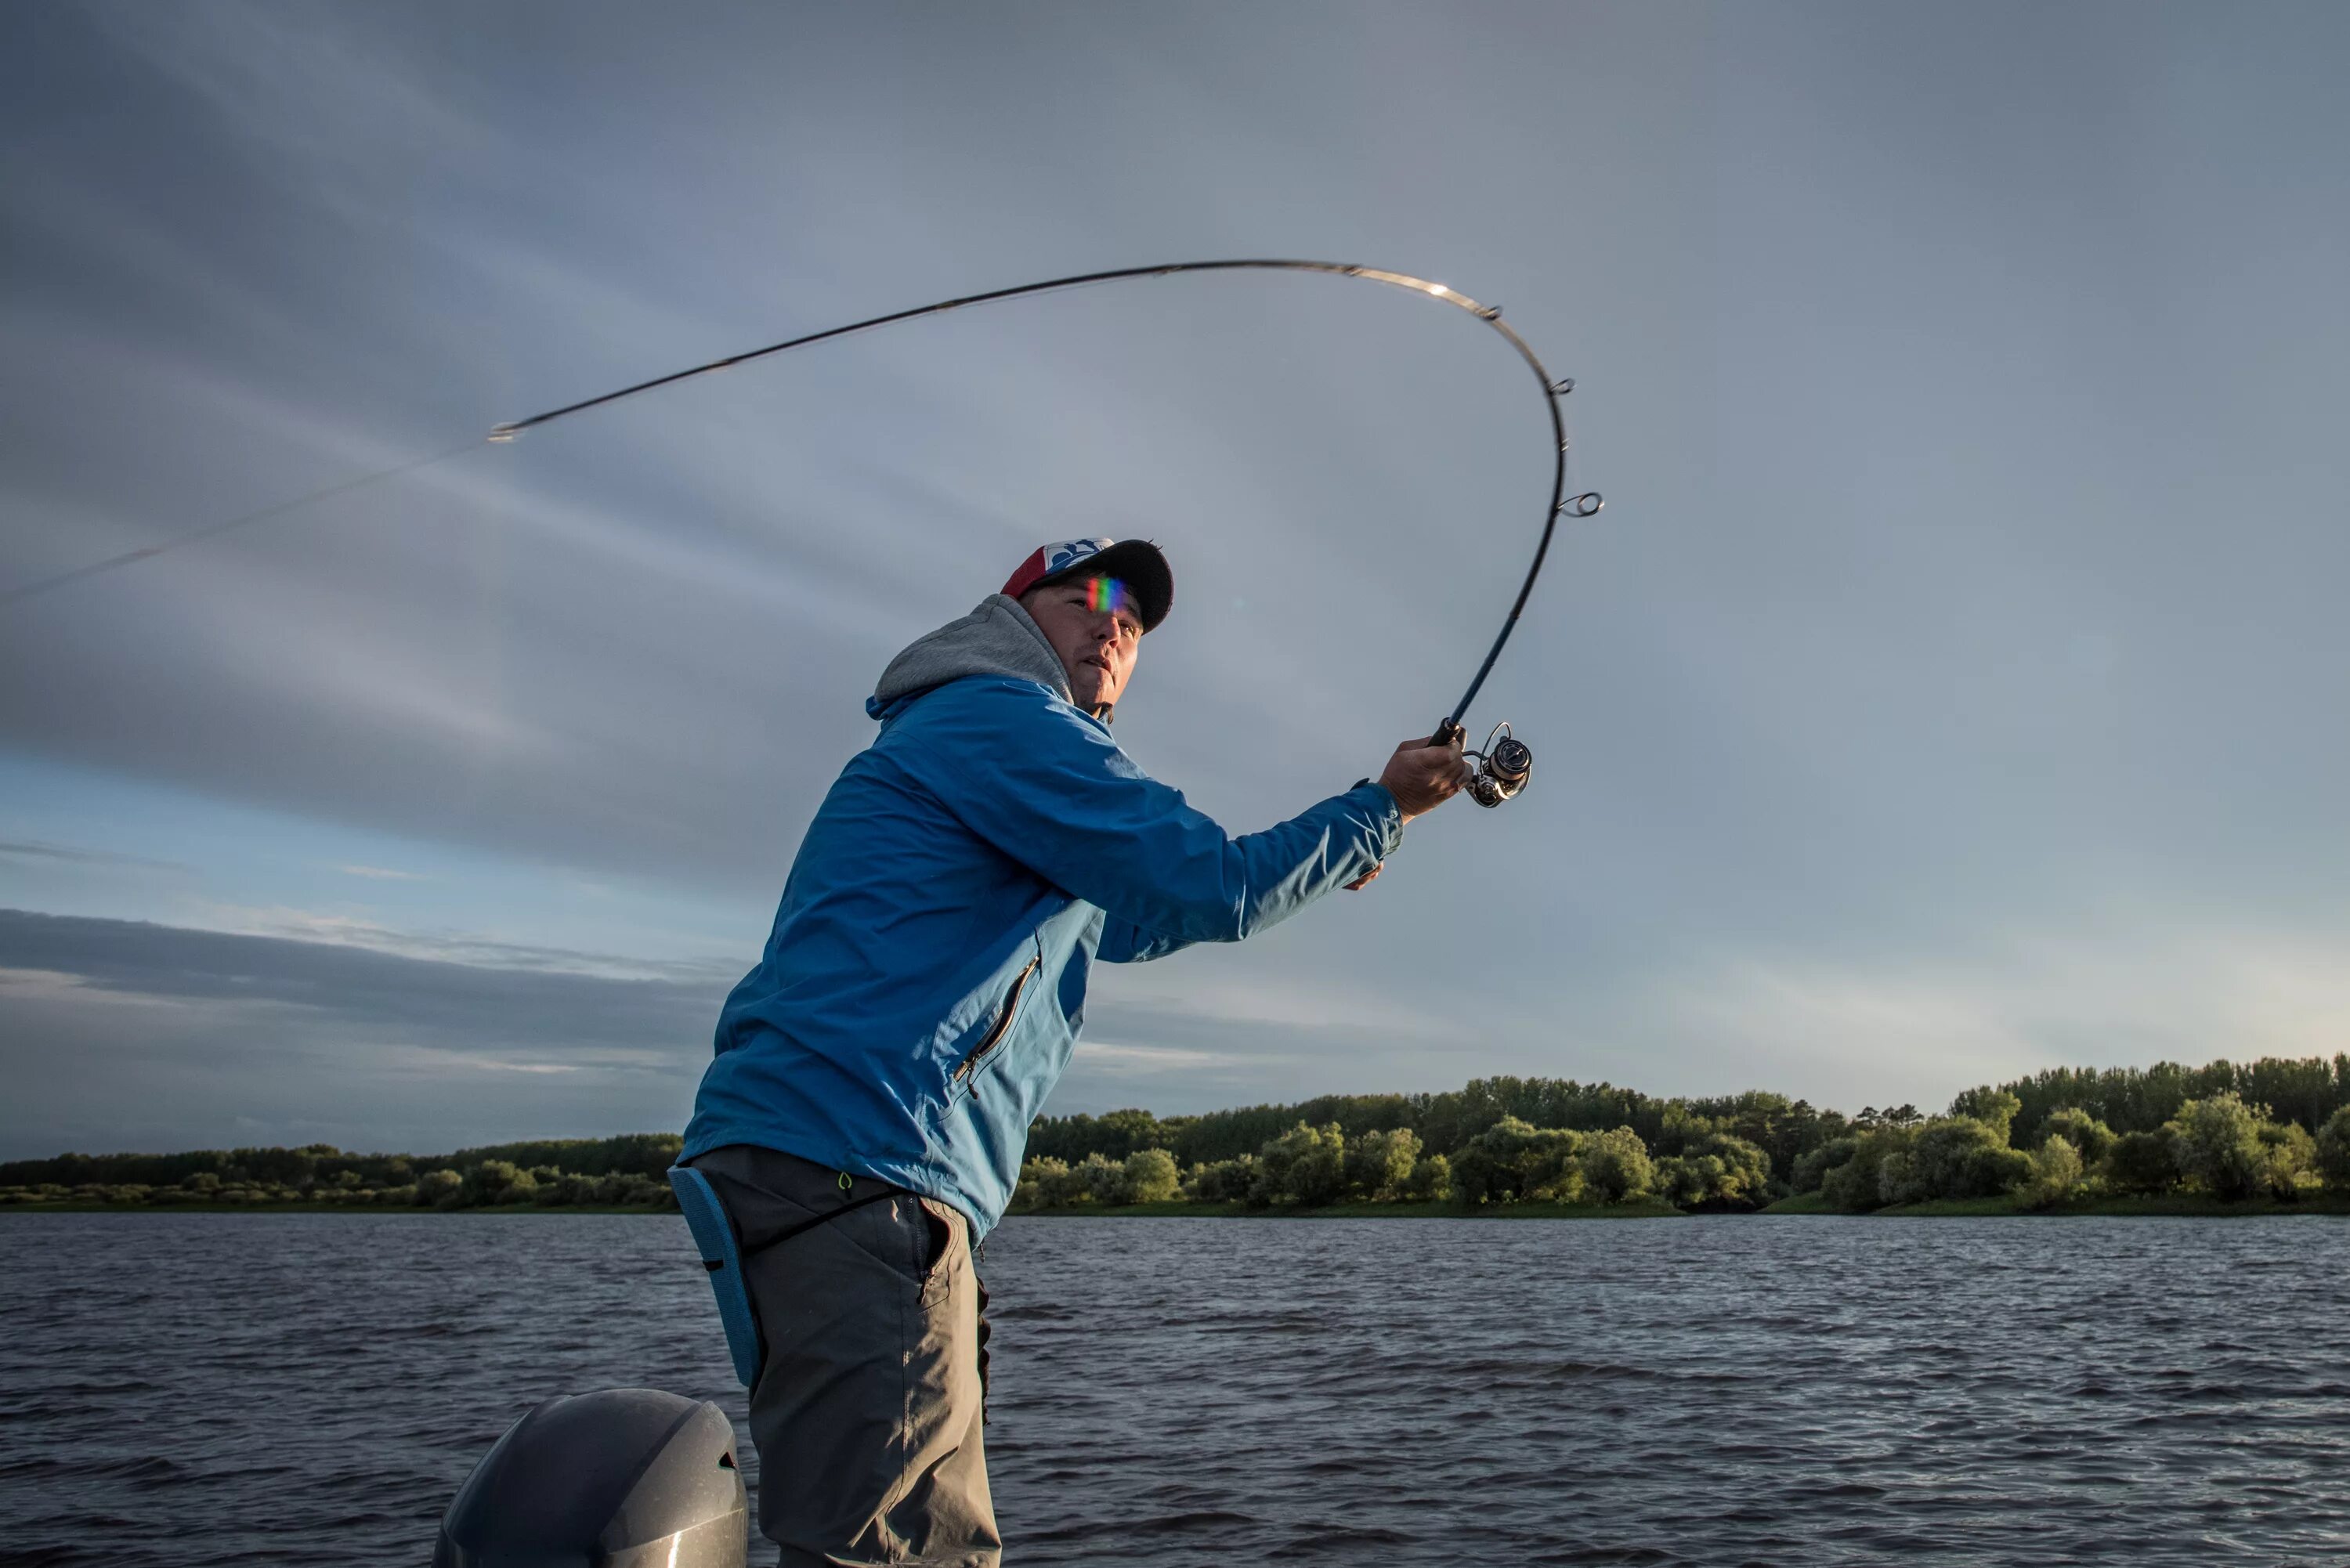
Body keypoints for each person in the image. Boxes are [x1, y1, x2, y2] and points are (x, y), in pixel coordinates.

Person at [681, 535, 1468, 1566]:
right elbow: (1212, 886)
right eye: (1085, 598)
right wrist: (1379, 810)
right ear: (1014, 616)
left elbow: (1130, 915)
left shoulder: (971, 738)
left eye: (1132, 623)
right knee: (899, 1550)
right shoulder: (1001, 712)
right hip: (860, 1163)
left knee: (875, 1532)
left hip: (821, 1163)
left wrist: (1337, 848)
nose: (1112, 624)